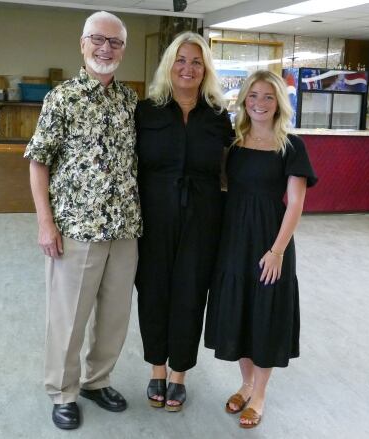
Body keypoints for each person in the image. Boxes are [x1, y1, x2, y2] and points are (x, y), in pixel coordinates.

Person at [23, 11, 141, 430]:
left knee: (114, 316)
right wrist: (45, 223)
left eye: (115, 42)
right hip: (76, 229)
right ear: (82, 43)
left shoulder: (130, 101)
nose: (106, 48)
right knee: (69, 318)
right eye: (98, 39)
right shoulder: (62, 98)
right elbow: (38, 163)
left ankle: (97, 380)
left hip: (124, 229)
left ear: (123, 50)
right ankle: (63, 391)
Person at [204, 70, 317, 429]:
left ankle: (260, 394)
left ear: (279, 103)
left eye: (268, 96)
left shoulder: (291, 145)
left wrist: (277, 251)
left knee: (266, 313)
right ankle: (245, 383)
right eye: (253, 96)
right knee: (240, 310)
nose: (259, 103)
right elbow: (221, 186)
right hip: (234, 237)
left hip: (271, 239)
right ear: (243, 101)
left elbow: (296, 203)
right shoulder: (234, 142)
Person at [134, 32, 232, 412]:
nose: (188, 68)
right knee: (154, 292)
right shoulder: (146, 111)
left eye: (196, 62)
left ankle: (179, 375)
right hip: (154, 216)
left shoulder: (219, 117)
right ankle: (157, 368)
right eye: (181, 60)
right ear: (169, 65)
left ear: (205, 69)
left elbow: (230, 170)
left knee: (191, 295)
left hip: (203, 219)